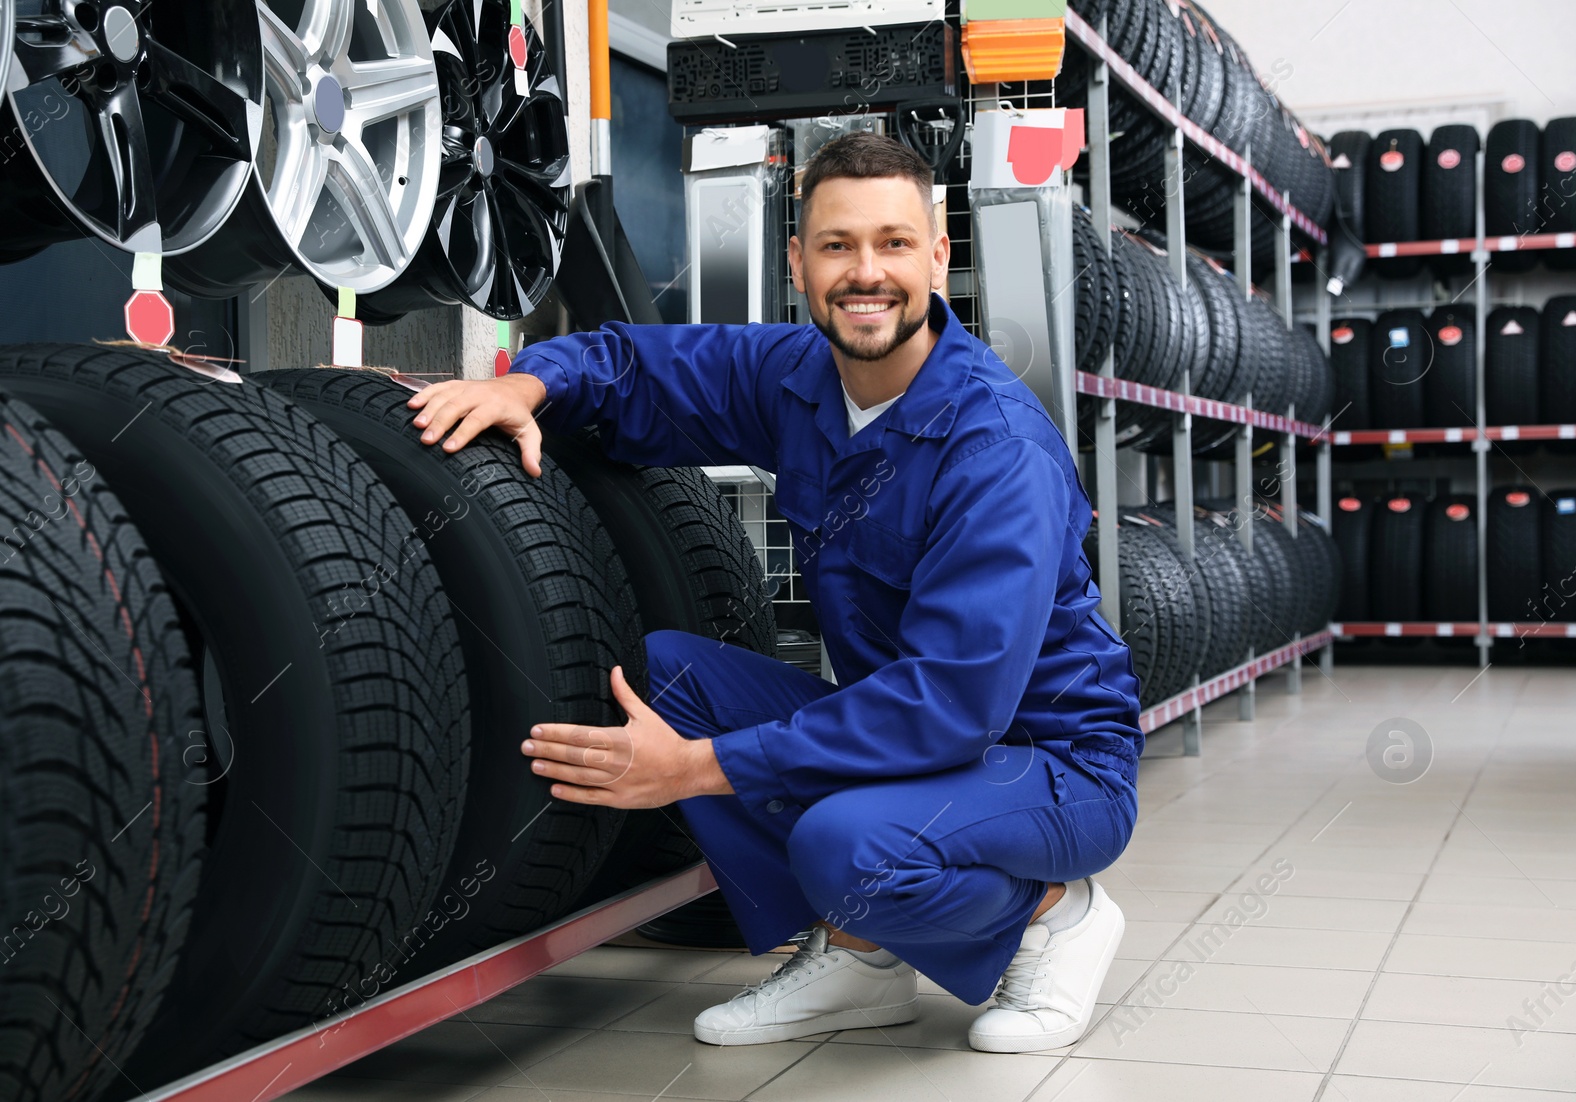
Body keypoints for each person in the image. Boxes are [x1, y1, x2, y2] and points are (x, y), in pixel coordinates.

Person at [406, 131, 1143, 1054]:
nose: (865, 272)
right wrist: (529, 382)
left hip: (1048, 762)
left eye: (894, 243)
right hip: (911, 733)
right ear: (797, 261)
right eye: (837, 245)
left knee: (846, 842)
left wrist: (694, 771)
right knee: (666, 680)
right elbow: (639, 365)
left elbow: (953, 708)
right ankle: (858, 955)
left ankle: (1052, 913)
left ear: (939, 254)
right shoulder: (801, 379)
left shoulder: (995, 451)